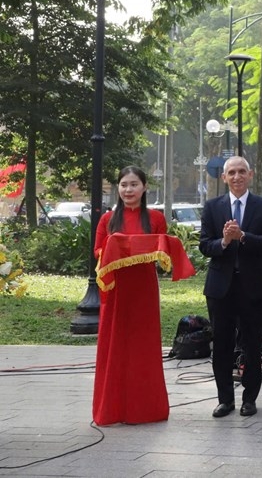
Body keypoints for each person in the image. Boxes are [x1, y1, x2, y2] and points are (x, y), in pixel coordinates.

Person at [200, 156, 262, 419]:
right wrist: (223, 241)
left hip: (253, 286)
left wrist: (243, 236)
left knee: (252, 344)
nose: (237, 177)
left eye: (242, 171)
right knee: (221, 344)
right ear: (224, 178)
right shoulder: (212, 207)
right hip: (220, 287)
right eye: (231, 172)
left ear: (251, 175)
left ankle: (249, 399)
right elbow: (204, 245)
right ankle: (225, 400)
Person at [93, 167, 171, 425]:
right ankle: (112, 408)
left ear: (145, 187)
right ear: (118, 188)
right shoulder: (107, 220)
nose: (128, 190)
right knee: (114, 343)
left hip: (143, 288)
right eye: (124, 185)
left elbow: (162, 249)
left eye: (134, 184)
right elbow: (97, 252)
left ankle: (145, 409)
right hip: (115, 287)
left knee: (143, 345)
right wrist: (118, 249)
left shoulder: (156, 218)